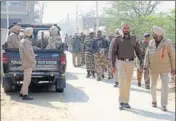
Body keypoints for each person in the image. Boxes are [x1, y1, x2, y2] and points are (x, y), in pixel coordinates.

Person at [144, 26, 175, 111]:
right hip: (153, 68)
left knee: (165, 87)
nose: (152, 35)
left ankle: (164, 105)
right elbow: (147, 55)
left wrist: (173, 68)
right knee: (153, 86)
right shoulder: (151, 42)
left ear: (158, 35)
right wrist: (145, 66)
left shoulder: (168, 42)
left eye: (153, 34)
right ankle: (154, 101)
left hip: (165, 68)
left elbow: (172, 55)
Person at [112, 23, 142, 110]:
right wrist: (113, 65)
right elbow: (113, 52)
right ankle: (121, 101)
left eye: (127, 28)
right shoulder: (117, 39)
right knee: (122, 80)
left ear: (129, 29)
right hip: (120, 62)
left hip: (131, 62)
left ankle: (126, 101)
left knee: (128, 82)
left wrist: (141, 61)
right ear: (122, 29)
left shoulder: (134, 39)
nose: (126, 29)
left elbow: (138, 51)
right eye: (124, 28)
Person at [19, 27, 36, 100]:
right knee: (27, 79)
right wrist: (33, 60)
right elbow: (27, 53)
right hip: (28, 63)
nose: (32, 34)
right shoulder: (26, 42)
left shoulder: (23, 41)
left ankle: (22, 92)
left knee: (26, 78)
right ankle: (25, 95)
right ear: (29, 34)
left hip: (25, 62)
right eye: (31, 33)